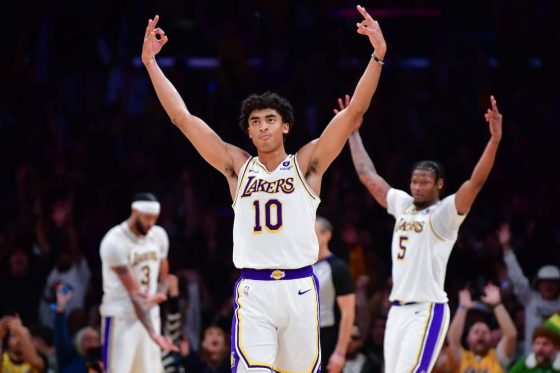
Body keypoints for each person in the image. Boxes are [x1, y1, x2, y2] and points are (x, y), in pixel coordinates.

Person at [141, 5, 386, 372]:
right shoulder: (237, 167)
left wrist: (377, 55)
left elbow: (353, 114)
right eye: (255, 122)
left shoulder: (307, 162)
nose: (263, 127)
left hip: (301, 288)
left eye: (271, 120)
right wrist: (151, 64)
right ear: (249, 132)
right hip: (255, 290)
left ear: (285, 126)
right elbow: (183, 118)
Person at [345, 94, 503, 372]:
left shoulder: (444, 214)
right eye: (414, 181)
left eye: (424, 182)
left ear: (439, 184)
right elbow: (367, 175)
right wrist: (353, 132)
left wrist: (494, 140)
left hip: (426, 310)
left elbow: (475, 182)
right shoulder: (403, 204)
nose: (417, 187)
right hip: (396, 310)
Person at [99, 192, 175, 373]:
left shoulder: (159, 236)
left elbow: (164, 277)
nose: (151, 223)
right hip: (121, 317)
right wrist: (154, 334)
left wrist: (161, 293)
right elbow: (135, 296)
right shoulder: (114, 241)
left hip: (150, 314)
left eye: (154, 218)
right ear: (135, 211)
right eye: (147, 218)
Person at [499, 223, 560, 354]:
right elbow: (517, 278)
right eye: (544, 282)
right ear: (538, 284)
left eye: (552, 282)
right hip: (531, 363)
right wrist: (506, 247)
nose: (548, 286)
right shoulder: (530, 299)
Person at [313, 216, 355, 373]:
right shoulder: (299, 267)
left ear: (326, 235)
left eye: (314, 232)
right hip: (301, 336)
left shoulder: (338, 268)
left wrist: (340, 352)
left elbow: (348, 313)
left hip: (327, 337)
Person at [447, 285, 517, 372]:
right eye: (476, 332)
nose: (480, 335)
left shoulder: (499, 358)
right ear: (467, 339)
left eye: (485, 332)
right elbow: (453, 340)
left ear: (491, 338)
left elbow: (511, 335)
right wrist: (462, 308)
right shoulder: (461, 358)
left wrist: (497, 305)